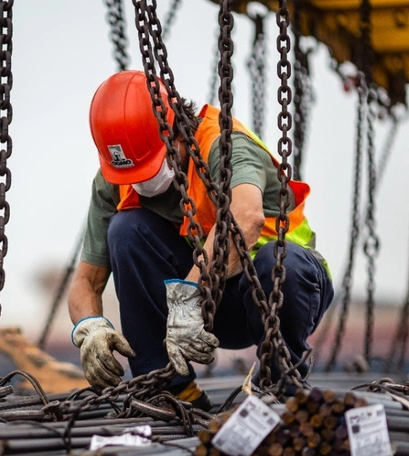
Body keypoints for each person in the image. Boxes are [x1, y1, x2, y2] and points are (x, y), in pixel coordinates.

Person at [67, 70, 333, 408]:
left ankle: (282, 386)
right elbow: (85, 282)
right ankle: (170, 390)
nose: (140, 182)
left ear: (176, 132)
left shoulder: (222, 144)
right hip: (205, 314)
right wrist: (90, 328)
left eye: (148, 169)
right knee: (125, 229)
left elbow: (246, 218)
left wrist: (188, 297)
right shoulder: (117, 175)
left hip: (274, 295)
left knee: (281, 261)